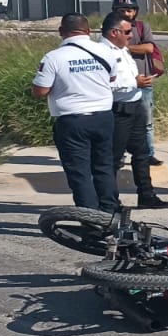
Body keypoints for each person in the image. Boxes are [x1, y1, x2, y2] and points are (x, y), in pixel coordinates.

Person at [31, 13, 119, 212]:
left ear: (61, 31)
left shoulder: (53, 57)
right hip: (103, 118)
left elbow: (40, 91)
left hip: (72, 121)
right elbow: (112, 78)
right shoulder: (105, 51)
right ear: (88, 31)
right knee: (104, 167)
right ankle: (110, 212)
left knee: (80, 173)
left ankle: (90, 217)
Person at [100, 12, 168, 210]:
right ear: (114, 32)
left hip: (134, 105)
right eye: (127, 32)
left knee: (142, 154)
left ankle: (146, 195)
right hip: (118, 110)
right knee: (113, 158)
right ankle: (110, 201)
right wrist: (134, 82)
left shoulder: (122, 49)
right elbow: (103, 83)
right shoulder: (102, 52)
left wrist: (138, 82)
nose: (131, 36)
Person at [112, 0, 164, 166]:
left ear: (135, 11)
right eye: (122, 10)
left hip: (144, 81)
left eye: (130, 10)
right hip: (120, 85)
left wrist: (125, 48)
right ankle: (118, 156)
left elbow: (149, 47)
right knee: (119, 122)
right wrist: (134, 48)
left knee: (146, 122)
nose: (127, 13)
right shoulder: (110, 27)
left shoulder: (142, 26)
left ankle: (149, 154)